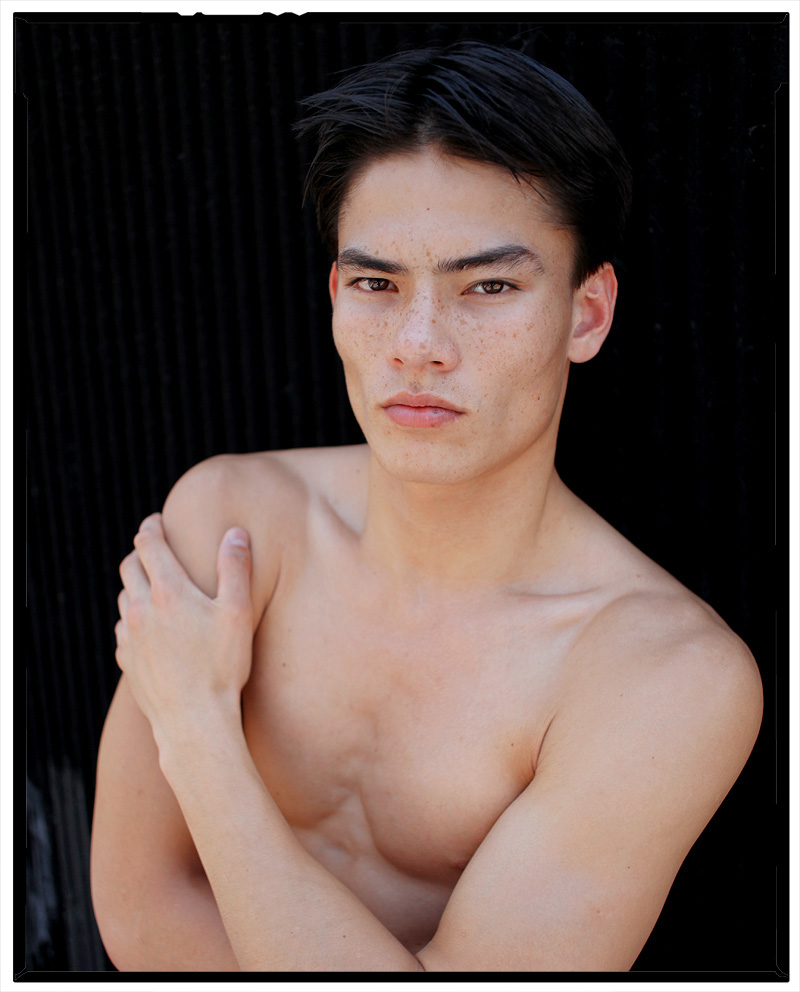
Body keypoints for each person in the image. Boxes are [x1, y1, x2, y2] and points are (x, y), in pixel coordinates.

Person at [89, 42, 763, 972]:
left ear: (587, 313)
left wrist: (199, 735)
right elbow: (138, 916)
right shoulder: (235, 523)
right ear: (336, 294)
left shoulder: (661, 678)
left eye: (488, 286)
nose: (417, 345)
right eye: (378, 284)